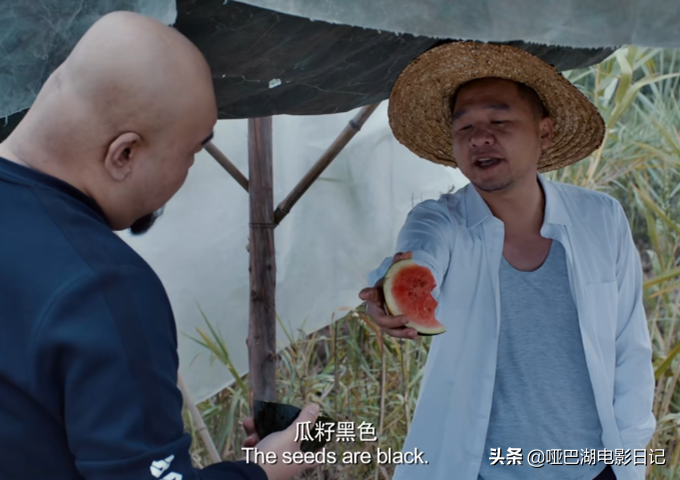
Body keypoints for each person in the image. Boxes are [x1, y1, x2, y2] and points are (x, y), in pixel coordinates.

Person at [0, 11, 318, 480]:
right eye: (192, 152)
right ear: (124, 153)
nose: (188, 172)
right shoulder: (102, 288)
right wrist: (265, 470)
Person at [360, 42, 656, 480]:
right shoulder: (440, 220)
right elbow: (419, 256)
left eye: (499, 121)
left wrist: (630, 461)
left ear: (545, 132)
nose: (479, 138)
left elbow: (629, 351)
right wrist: (389, 291)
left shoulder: (601, 219)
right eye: (464, 127)